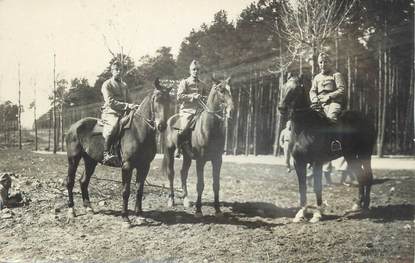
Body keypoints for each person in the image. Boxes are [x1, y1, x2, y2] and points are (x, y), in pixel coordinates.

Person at [309, 52, 346, 185]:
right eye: (320, 62)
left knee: (331, 118)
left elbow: (342, 90)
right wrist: (314, 99)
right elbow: (312, 91)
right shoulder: (317, 77)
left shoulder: (336, 75)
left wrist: (329, 97)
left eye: (326, 62)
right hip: (319, 103)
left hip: (333, 102)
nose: (323, 64)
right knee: (310, 120)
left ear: (330, 62)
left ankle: (335, 142)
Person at [101, 61, 140, 165]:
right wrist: (127, 106)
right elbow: (110, 102)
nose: (119, 71)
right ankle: (106, 153)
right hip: (111, 112)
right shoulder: (107, 84)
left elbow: (129, 99)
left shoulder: (124, 85)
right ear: (112, 71)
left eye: (120, 70)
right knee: (113, 126)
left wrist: (134, 106)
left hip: (124, 112)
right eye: (116, 69)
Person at [176, 60, 209, 158]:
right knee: (184, 128)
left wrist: (204, 98)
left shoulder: (202, 84)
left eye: (198, 70)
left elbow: (205, 96)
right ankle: (178, 148)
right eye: (194, 69)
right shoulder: (184, 82)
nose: (196, 71)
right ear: (190, 71)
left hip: (200, 110)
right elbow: (179, 96)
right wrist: (192, 96)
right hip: (187, 110)